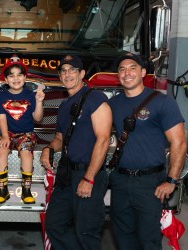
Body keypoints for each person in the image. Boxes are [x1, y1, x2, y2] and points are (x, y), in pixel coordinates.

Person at [109, 53, 187, 250]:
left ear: (143, 72)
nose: (127, 73)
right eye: (122, 69)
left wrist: (171, 181)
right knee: (122, 237)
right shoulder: (113, 104)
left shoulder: (162, 102)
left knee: (148, 239)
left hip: (151, 183)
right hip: (120, 181)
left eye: (132, 68)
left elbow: (179, 143)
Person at [40, 54, 112, 249]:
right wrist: (48, 148)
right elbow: (59, 139)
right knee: (54, 224)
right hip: (66, 175)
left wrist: (88, 178)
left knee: (86, 231)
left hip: (88, 173)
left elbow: (103, 139)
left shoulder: (95, 98)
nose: (67, 74)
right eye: (63, 71)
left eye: (73, 70)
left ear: (81, 74)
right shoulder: (64, 106)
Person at [0, 55, 45, 205]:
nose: (15, 78)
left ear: (25, 77)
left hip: (26, 134)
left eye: (19, 75)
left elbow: (38, 118)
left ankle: (26, 190)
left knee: (26, 154)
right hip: (7, 133)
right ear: (5, 80)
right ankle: (3, 190)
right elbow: (2, 118)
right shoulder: (1, 96)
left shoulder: (31, 95)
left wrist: (39, 101)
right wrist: (4, 137)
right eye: (11, 75)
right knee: (1, 150)